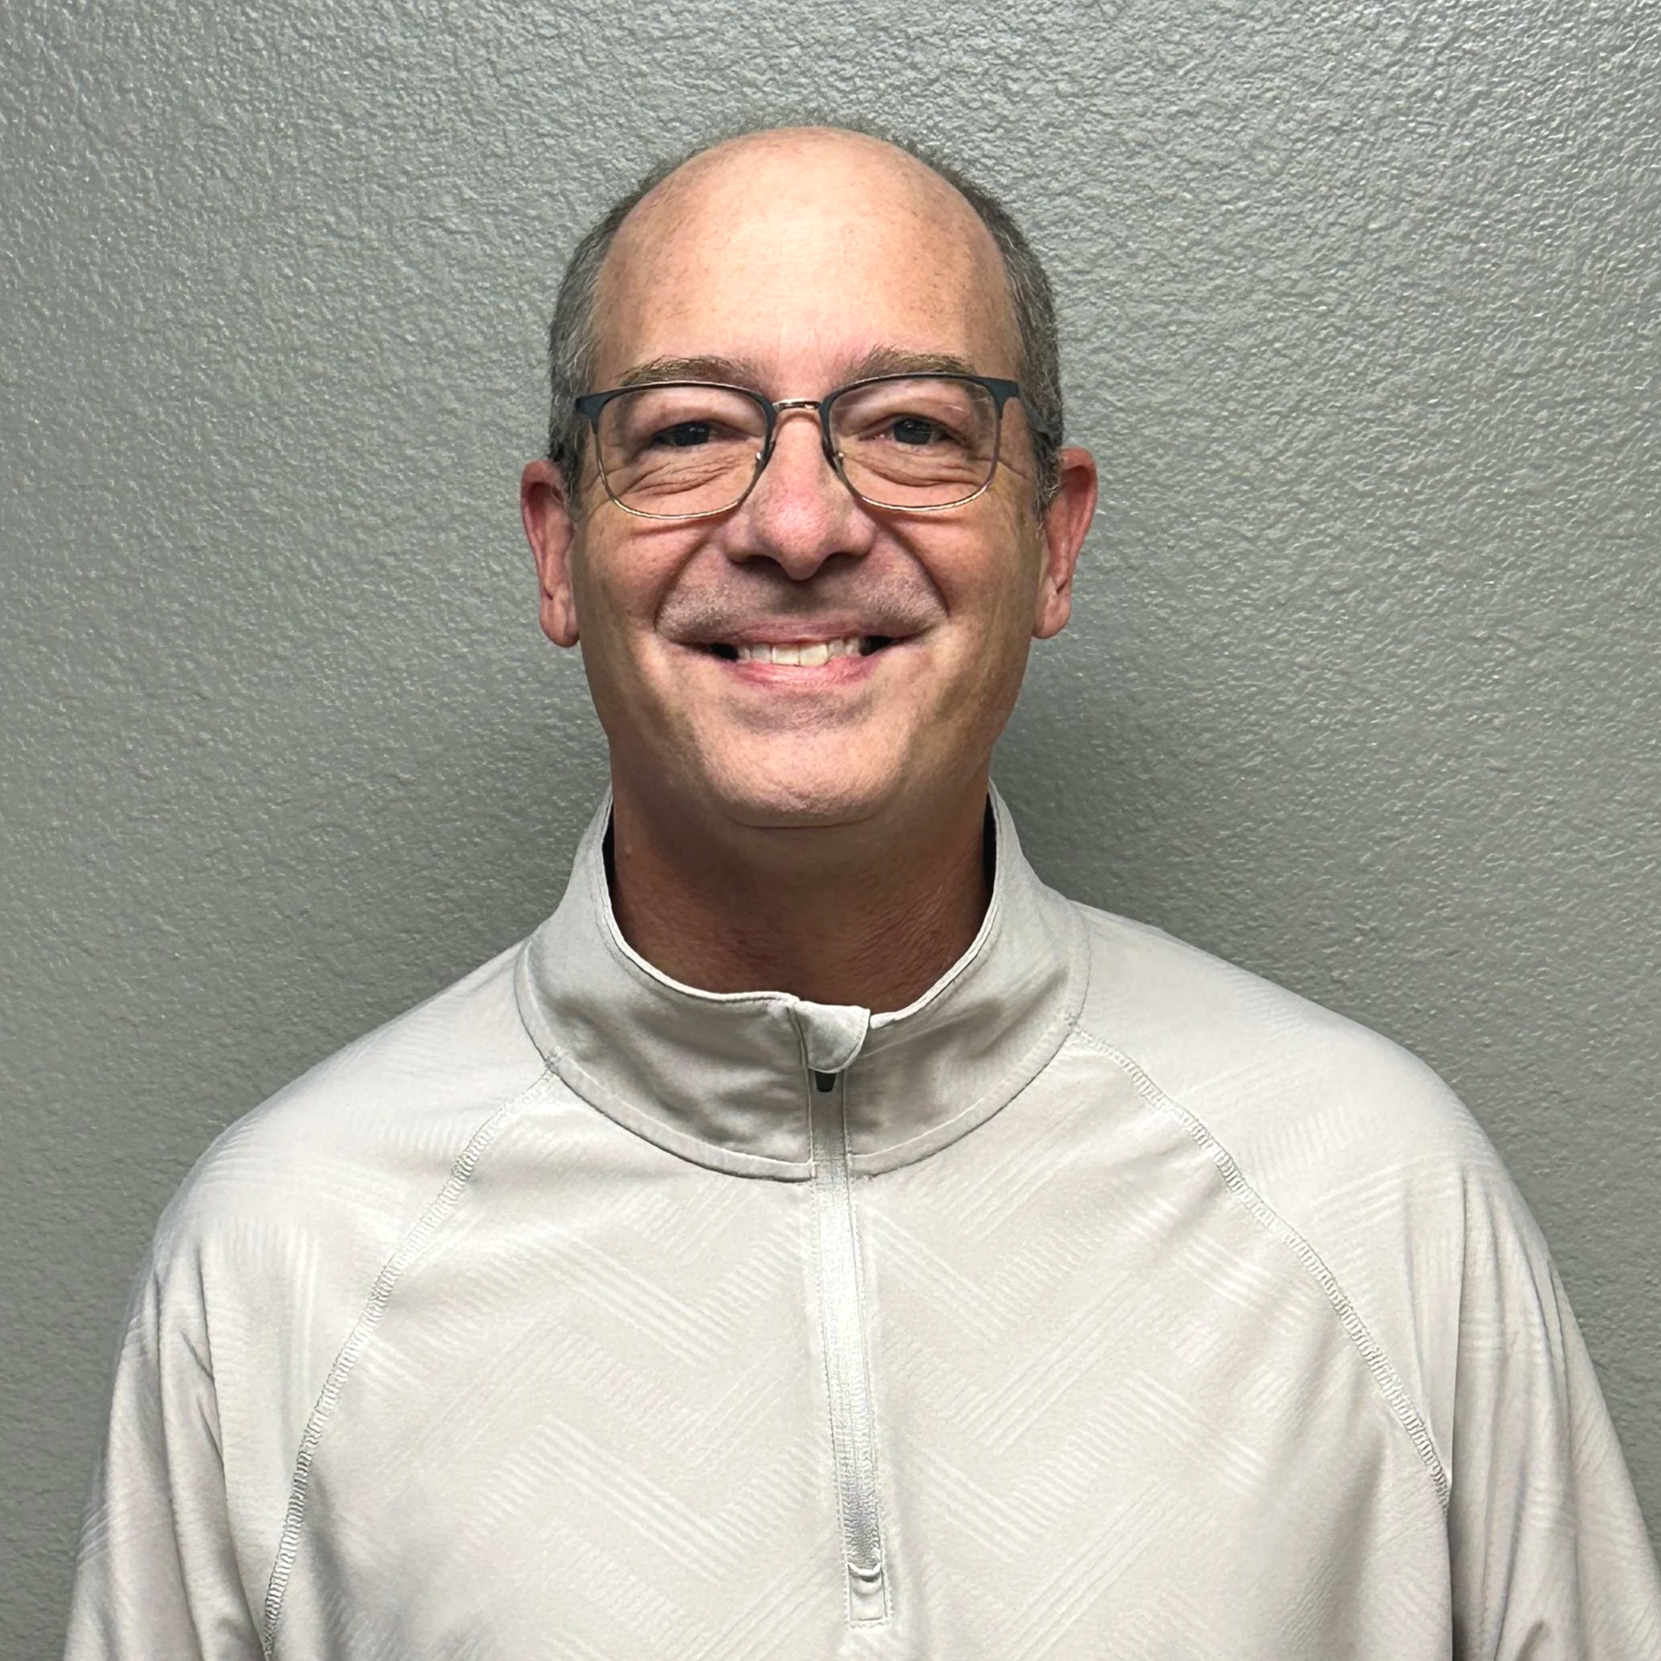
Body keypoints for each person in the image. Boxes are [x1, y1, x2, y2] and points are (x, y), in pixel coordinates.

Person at [65, 126, 1660, 1660]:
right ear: (560, 551)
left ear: (1052, 537)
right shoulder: (283, 1255)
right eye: (686, 430)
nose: (801, 524)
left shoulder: (1377, 1199)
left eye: (912, 425)